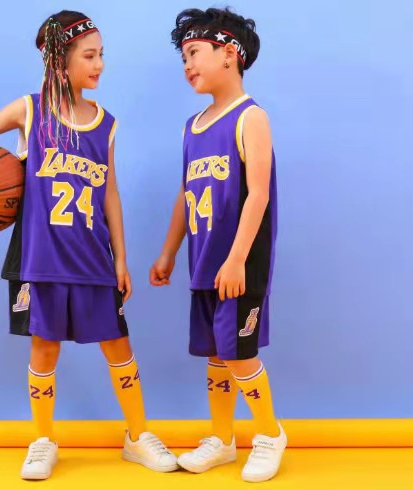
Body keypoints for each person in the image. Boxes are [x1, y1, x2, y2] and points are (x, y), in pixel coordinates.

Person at [0, 10, 178, 480]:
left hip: (92, 257)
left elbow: (110, 192)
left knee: (119, 347)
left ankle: (138, 435)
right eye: (90, 56)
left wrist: (121, 259)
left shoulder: (106, 124)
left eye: (102, 55)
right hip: (39, 260)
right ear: (60, 62)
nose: (100, 64)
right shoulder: (30, 110)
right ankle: (44, 440)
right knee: (44, 351)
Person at [149, 7, 287, 483]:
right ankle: (223, 439)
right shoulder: (192, 126)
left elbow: (259, 195)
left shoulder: (251, 117)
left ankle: (269, 434)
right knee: (215, 352)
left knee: (239, 353)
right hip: (204, 259)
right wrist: (169, 251)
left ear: (229, 53)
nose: (187, 65)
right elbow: (185, 194)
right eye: (183, 58)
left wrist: (237, 259)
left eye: (194, 53)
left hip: (240, 260)